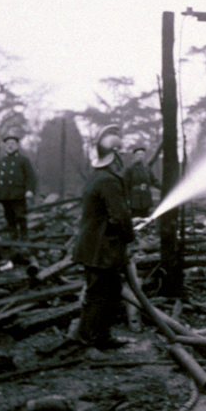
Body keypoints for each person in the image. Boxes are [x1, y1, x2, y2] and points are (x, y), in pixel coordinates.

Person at [72, 124, 135, 349]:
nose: (123, 159)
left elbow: (104, 214)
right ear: (115, 155)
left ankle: (94, 335)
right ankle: (93, 338)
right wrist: (130, 235)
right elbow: (119, 215)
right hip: (103, 249)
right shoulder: (109, 180)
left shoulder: (96, 176)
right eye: (121, 154)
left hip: (94, 246)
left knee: (101, 292)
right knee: (104, 293)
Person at [0, 132, 38, 241]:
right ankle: (13, 236)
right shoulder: (1, 161)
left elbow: (31, 177)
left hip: (18, 194)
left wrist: (30, 190)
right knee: (9, 217)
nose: (10, 145)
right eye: (7, 143)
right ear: (4, 146)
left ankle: (24, 236)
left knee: (20, 216)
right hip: (5, 194)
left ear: (17, 145)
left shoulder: (23, 160)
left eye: (13, 143)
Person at [123, 145, 158, 218]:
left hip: (145, 199)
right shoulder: (130, 169)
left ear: (144, 156)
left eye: (142, 154)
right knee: (135, 219)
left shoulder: (147, 169)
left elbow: (154, 181)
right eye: (138, 154)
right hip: (134, 200)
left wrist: (164, 187)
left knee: (145, 219)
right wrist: (127, 200)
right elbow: (125, 186)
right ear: (134, 156)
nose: (140, 156)